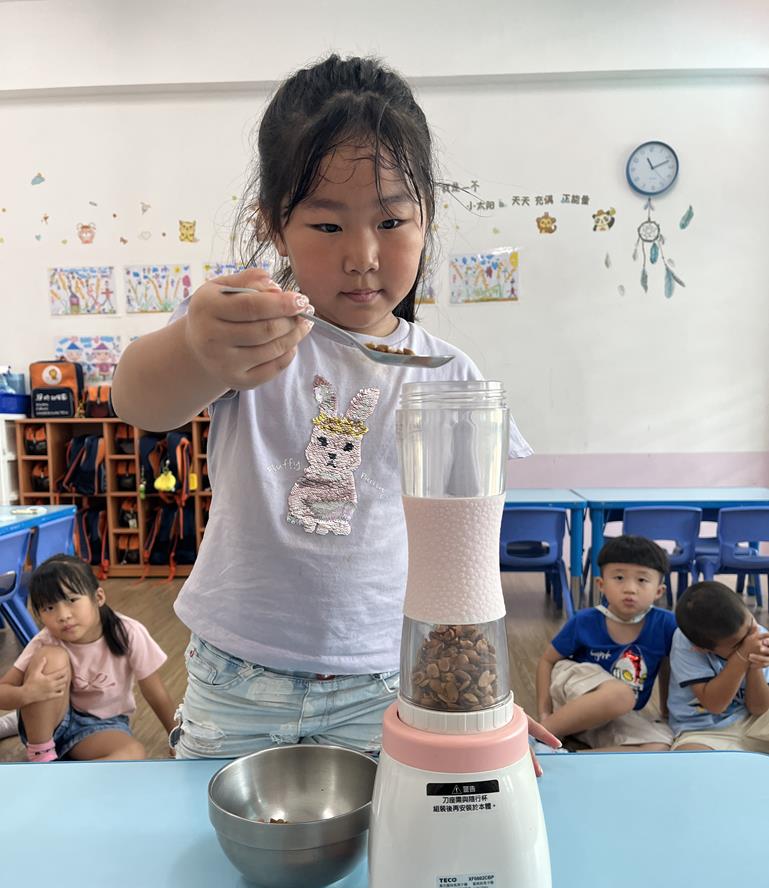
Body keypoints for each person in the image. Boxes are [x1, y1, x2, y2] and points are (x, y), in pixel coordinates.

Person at [111, 53, 544, 760]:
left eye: (392, 219)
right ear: (274, 225)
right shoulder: (247, 334)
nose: (363, 255)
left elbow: (466, 558)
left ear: (427, 216)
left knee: (388, 829)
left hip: (386, 674)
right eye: (327, 226)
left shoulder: (447, 376)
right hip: (235, 674)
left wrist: (482, 694)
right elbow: (139, 402)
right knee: (220, 823)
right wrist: (194, 347)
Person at [0, 554, 173, 762]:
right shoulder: (46, 640)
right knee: (52, 657)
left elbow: (155, 691)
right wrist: (26, 693)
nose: (63, 615)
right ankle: (41, 758)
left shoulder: (128, 632)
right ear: (38, 615)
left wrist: (177, 737)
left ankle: (61, 775)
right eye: (49, 608)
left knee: (133, 754)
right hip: (52, 725)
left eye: (72, 600)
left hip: (102, 727)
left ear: (98, 597)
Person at [536, 535, 676, 751]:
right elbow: (547, 661)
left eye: (642, 580)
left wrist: (666, 713)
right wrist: (545, 714)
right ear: (601, 585)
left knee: (659, 746)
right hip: (573, 696)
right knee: (621, 695)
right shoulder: (585, 620)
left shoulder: (665, 624)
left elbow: (667, 665)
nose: (630, 588)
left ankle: (568, 757)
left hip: (613, 714)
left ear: (659, 591)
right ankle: (538, 736)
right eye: (619, 578)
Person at [668, 581, 769, 752]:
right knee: (688, 758)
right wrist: (742, 657)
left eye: (750, 627)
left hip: (752, 722)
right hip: (703, 729)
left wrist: (754, 666)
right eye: (738, 645)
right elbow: (715, 705)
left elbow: (759, 708)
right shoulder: (685, 642)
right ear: (701, 648)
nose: (750, 641)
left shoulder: (757, 635)